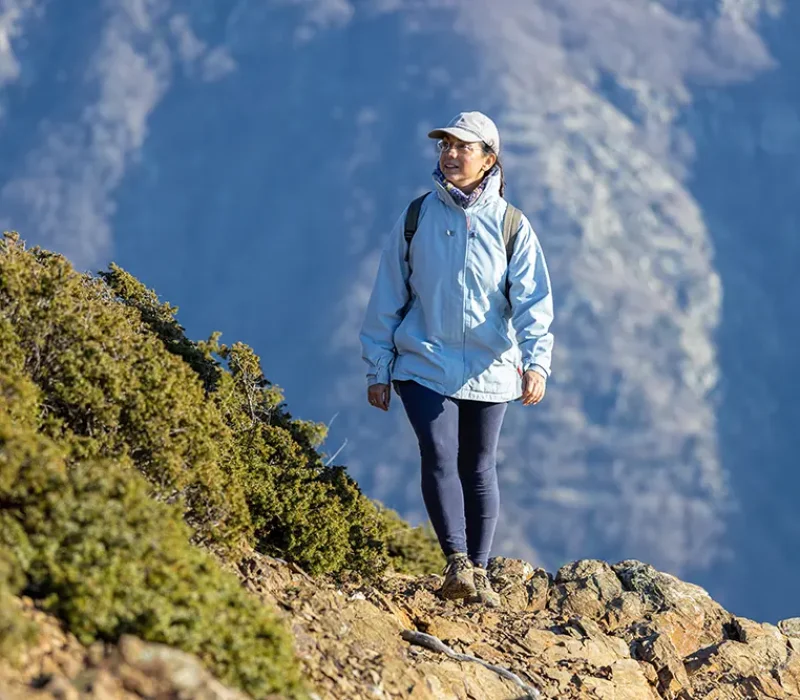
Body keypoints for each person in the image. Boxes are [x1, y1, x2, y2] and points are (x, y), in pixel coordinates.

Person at [359, 111, 554, 608]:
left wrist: (537, 363)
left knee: (479, 465)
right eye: (445, 145)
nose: (450, 154)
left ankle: (481, 571)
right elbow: (388, 294)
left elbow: (533, 300)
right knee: (439, 453)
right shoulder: (417, 217)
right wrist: (378, 367)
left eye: (463, 147)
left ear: (489, 159)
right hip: (423, 359)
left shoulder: (512, 225)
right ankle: (458, 564)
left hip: (491, 366)